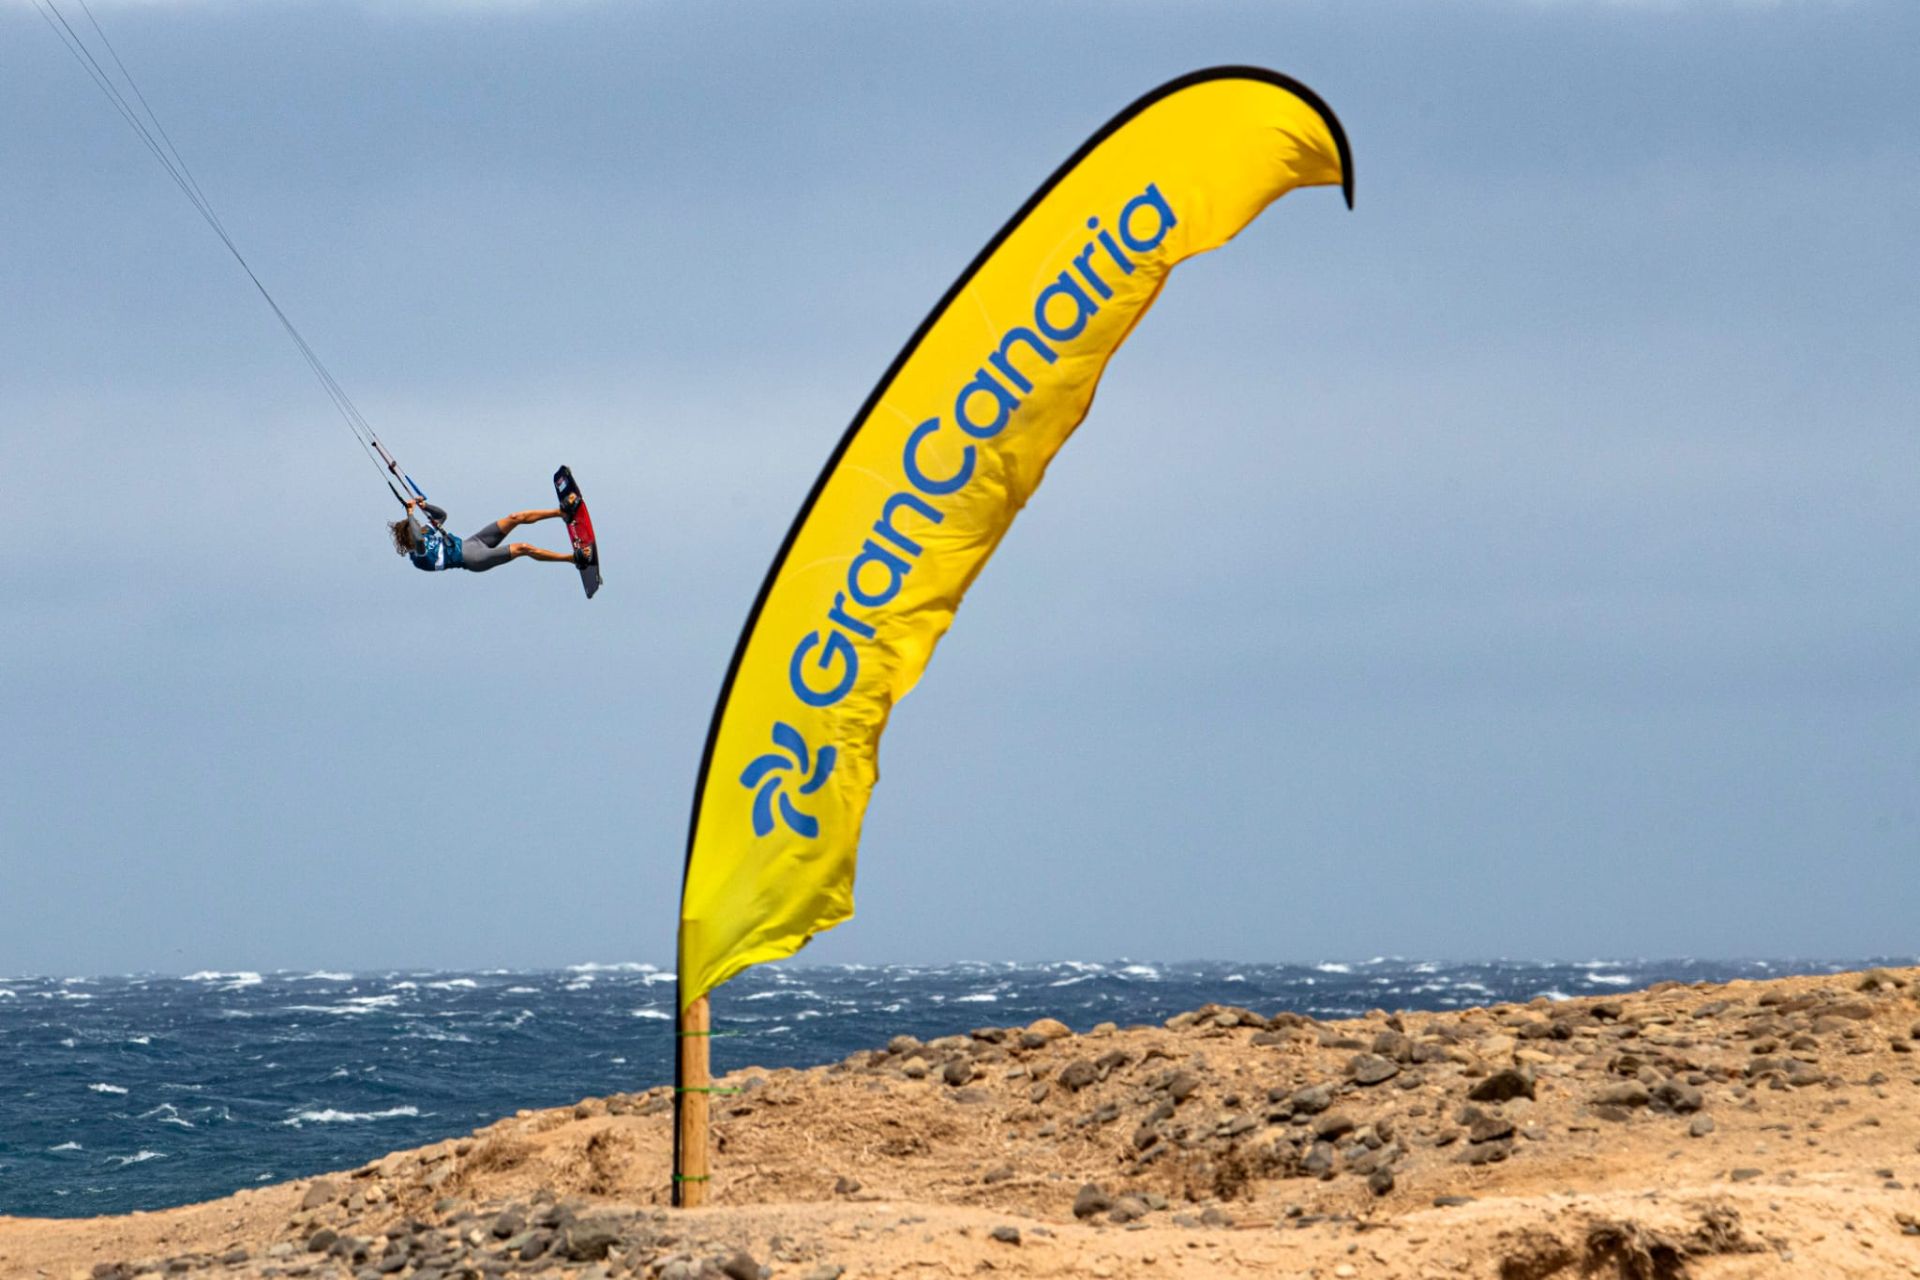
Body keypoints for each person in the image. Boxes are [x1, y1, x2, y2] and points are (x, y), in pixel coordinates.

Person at [389, 497, 578, 574]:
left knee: (514, 517)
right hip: (474, 559)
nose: (420, 528)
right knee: (523, 548)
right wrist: (411, 514)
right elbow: (419, 539)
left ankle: (562, 512)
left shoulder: (426, 533)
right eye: (415, 528)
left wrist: (425, 506)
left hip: (474, 541)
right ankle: (571, 559)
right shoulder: (418, 556)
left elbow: (441, 516)